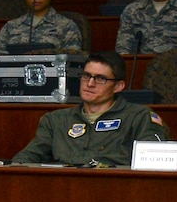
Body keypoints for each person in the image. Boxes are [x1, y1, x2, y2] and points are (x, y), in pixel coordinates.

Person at [12, 52, 168, 167]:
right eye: (86, 76)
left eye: (100, 78)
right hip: (62, 192)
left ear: (118, 86)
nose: (90, 83)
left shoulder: (139, 118)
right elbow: (27, 158)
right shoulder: (56, 120)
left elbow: (154, 165)